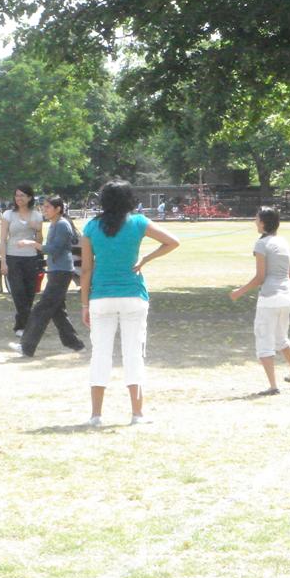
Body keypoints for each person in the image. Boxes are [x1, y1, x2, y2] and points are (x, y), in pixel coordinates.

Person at [81, 180, 180, 426]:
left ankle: (96, 415)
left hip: (101, 296)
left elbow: (85, 269)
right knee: (133, 353)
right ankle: (137, 414)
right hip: (133, 295)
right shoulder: (138, 223)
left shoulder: (91, 227)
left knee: (100, 355)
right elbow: (172, 241)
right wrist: (146, 258)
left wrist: (84, 304)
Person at [229, 207, 290, 395]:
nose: (255, 221)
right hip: (287, 295)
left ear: (263, 223)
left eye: (256, 218)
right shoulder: (284, 242)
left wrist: (239, 292)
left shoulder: (261, 244)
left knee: (264, 338)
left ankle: (273, 386)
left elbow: (260, 277)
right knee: (281, 338)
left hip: (270, 298)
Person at [10, 197, 86, 357]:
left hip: (61, 271)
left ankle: (26, 347)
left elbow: (54, 249)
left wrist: (31, 244)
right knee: (57, 311)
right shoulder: (54, 224)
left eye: (47, 207)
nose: (44, 209)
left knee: (41, 308)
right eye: (43, 207)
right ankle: (75, 344)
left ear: (58, 209)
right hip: (56, 270)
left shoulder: (62, 225)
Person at [0, 186, 44, 335]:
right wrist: (3, 262)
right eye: (17, 195)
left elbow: (40, 241)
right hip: (13, 257)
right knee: (18, 292)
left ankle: (22, 325)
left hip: (31, 257)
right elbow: (3, 240)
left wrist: (36, 228)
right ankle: (23, 327)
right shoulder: (8, 215)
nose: (19, 198)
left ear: (30, 198)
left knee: (29, 293)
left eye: (23, 195)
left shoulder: (37, 215)